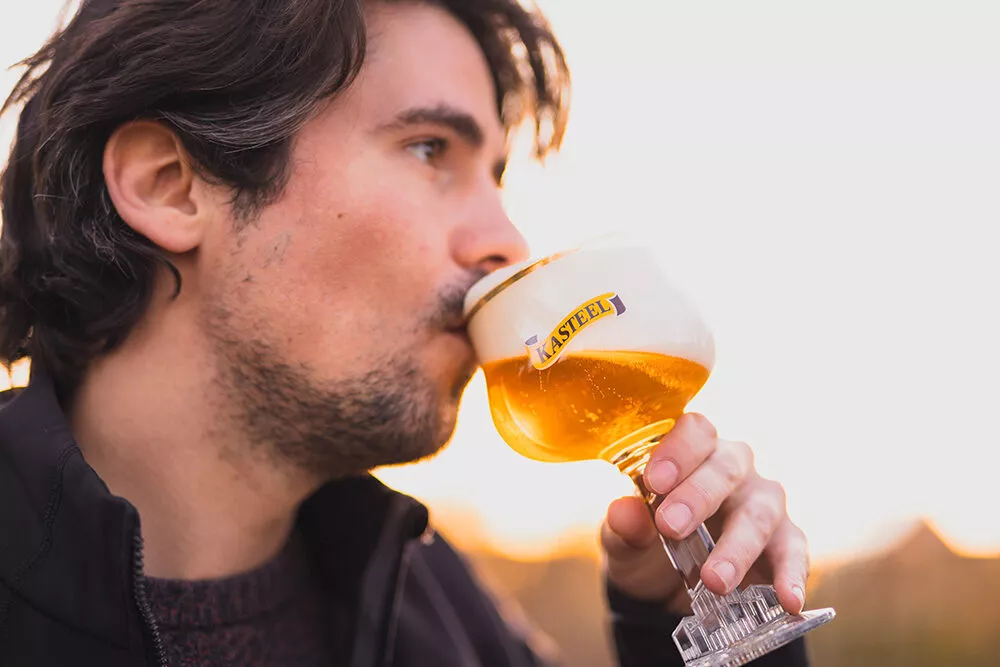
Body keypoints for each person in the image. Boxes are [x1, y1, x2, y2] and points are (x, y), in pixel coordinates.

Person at [0, 0, 813, 665]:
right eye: (430, 149)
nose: (508, 244)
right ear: (169, 186)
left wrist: (686, 622)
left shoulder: (433, 606)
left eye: (495, 177)